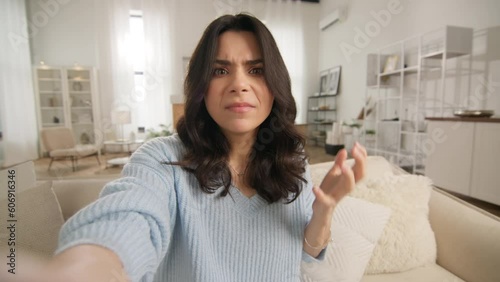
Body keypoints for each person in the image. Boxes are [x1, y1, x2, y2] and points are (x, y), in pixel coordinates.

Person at [5, 13, 366, 282]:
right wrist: (84, 268)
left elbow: (309, 251)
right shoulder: (163, 159)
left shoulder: (292, 159)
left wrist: (323, 213)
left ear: (275, 84)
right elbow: (128, 220)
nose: (239, 84)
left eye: (256, 70)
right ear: (200, 85)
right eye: (220, 71)